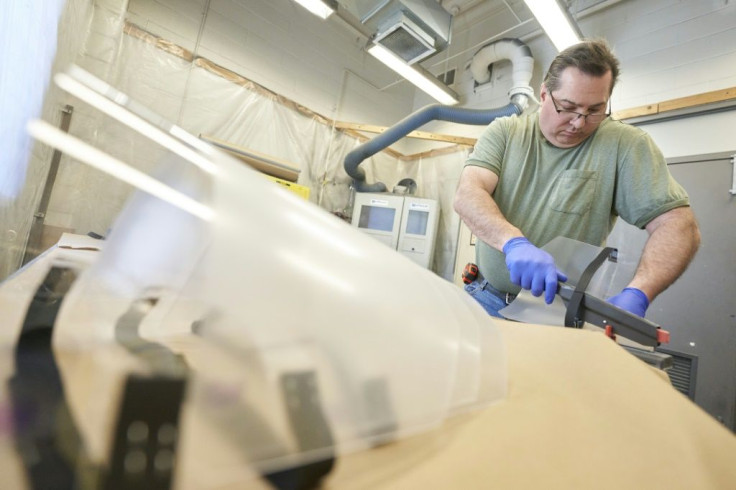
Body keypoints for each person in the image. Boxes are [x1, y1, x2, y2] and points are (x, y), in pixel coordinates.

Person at [453, 39, 701, 319]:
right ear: (544, 94)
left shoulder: (625, 146)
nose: (579, 123)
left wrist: (640, 291)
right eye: (568, 107)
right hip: (487, 298)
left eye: (595, 110)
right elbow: (468, 193)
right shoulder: (506, 132)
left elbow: (679, 225)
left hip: (556, 314)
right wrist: (512, 243)